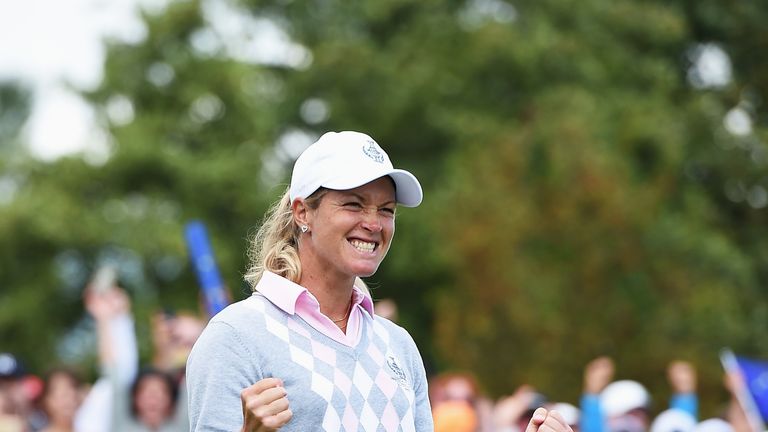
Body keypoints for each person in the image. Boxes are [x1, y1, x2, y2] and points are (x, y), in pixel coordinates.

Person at [186, 131, 575, 432]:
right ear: (303, 211)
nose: (373, 224)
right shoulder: (236, 336)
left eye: (386, 210)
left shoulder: (398, 345)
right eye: (353, 204)